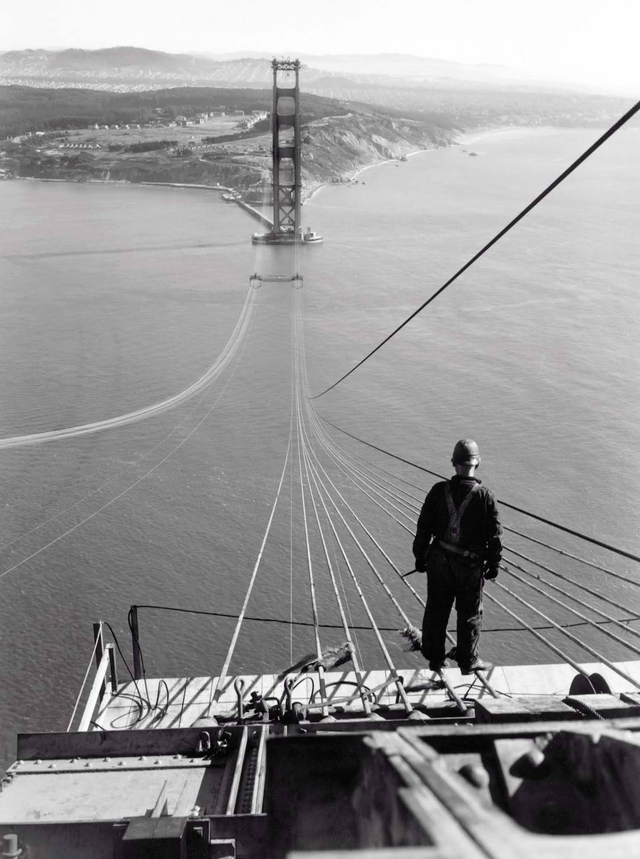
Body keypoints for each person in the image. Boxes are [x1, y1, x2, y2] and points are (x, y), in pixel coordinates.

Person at [412, 439, 502, 674]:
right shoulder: (486, 497)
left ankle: (435, 659)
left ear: (453, 464)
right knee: (470, 615)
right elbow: (494, 538)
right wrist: (494, 564)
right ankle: (468, 661)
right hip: (469, 568)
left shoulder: (437, 491)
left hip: (439, 563)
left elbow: (423, 527)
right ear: (477, 463)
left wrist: (420, 556)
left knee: (436, 610)